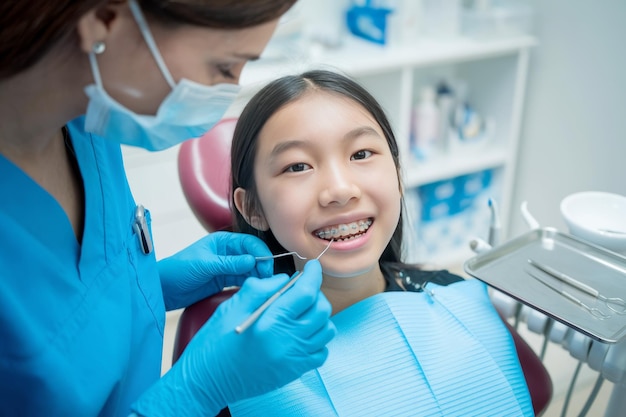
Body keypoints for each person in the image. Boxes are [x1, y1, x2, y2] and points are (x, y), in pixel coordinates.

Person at [0, 2, 336, 416]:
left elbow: (68, 303)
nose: (338, 191)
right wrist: (197, 391)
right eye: (225, 66)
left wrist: (150, 285)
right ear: (105, 19)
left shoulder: (89, 119)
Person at [228, 69, 535, 416]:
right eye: (298, 166)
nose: (341, 190)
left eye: (360, 154)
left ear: (398, 176)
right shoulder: (241, 364)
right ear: (252, 208)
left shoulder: (455, 295)